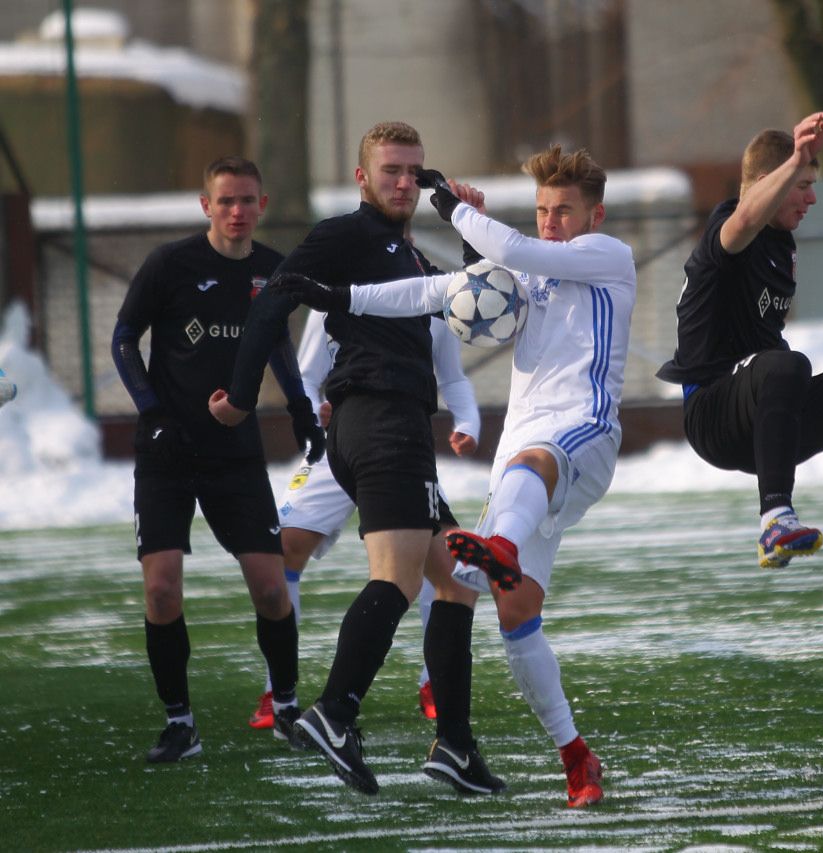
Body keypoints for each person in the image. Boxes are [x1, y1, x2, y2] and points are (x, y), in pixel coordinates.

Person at [282, 143, 636, 808]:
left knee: (524, 483)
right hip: (524, 456)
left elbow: (523, 252)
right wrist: (340, 296)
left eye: (564, 210)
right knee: (507, 606)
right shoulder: (524, 269)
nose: (551, 220)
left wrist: (449, 206)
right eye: (541, 210)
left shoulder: (606, 256)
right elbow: (430, 290)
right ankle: (569, 755)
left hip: (582, 437)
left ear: (595, 215)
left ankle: (496, 548)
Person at [209, 122, 503, 797]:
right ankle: (335, 710)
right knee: (397, 582)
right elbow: (273, 300)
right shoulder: (346, 235)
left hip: (394, 426)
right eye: (391, 169)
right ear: (361, 177)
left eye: (415, 171)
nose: (403, 181)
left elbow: (472, 299)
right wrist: (243, 393)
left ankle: (455, 745)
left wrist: (469, 223)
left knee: (455, 579)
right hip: (377, 423)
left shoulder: (408, 253)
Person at [111, 156, 324, 763]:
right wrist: (152, 412)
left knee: (271, 589)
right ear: (206, 205)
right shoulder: (170, 264)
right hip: (167, 454)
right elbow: (124, 338)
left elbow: (279, 346)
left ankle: (285, 707)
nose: (237, 212)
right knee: (161, 591)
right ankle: (181, 724)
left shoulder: (271, 271)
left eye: (247, 201)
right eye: (225, 201)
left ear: (261, 204)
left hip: (235, 454)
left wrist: (304, 414)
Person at [248, 309, 481, 730]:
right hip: (339, 438)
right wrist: (311, 406)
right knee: (283, 548)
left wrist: (468, 422)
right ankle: (278, 690)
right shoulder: (333, 290)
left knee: (443, 559)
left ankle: (434, 684)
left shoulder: (430, 290)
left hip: (398, 445)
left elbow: (451, 376)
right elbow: (306, 373)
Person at [656, 112, 823, 568]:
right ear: (769, 182)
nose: (812, 198)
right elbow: (744, 217)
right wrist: (797, 154)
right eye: (802, 185)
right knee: (788, 365)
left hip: (762, 417)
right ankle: (775, 519)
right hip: (714, 416)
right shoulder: (731, 224)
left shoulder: (783, 245)